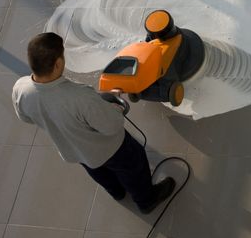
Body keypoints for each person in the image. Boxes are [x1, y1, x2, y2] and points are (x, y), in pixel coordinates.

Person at [12, 32, 175, 214]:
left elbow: (24, 117)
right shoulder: (79, 97)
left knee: (98, 170)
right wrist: (116, 108)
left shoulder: (21, 88)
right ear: (57, 64)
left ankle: (117, 192)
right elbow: (111, 126)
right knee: (133, 166)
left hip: (76, 150)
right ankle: (147, 200)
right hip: (111, 148)